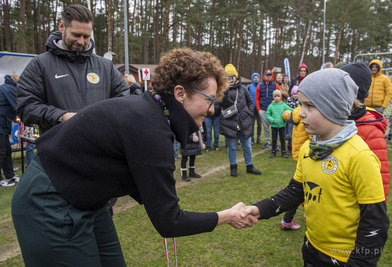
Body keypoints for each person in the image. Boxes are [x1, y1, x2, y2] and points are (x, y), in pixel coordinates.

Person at [11, 48, 258, 266]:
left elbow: (138, 176)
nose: (212, 109)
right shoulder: (149, 127)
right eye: (209, 100)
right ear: (180, 93)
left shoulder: (153, 113)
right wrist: (226, 217)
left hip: (89, 202)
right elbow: (169, 222)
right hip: (48, 201)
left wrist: (160, 197)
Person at [244, 68, 389, 266]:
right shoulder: (308, 148)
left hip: (343, 258)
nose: (300, 113)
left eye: (309, 106)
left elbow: (375, 223)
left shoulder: (359, 156)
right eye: (301, 104)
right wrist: (258, 209)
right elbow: (295, 191)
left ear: (334, 107)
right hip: (311, 248)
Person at [16, 4, 128, 134]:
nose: (81, 41)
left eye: (86, 36)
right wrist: (60, 116)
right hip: (59, 150)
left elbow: (124, 100)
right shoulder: (40, 65)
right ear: (62, 27)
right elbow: (26, 107)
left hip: (100, 149)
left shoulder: (105, 67)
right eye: (76, 35)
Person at [341, 62, 391, 202]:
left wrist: (374, 215)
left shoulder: (371, 132)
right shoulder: (333, 121)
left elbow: (379, 177)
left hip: (355, 208)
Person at [220, 64, 262, 177]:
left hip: (244, 123)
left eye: (231, 76)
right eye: (227, 77)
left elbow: (250, 102)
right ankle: (233, 167)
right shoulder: (222, 90)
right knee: (232, 147)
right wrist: (224, 90)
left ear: (236, 77)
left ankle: (250, 166)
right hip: (230, 123)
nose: (230, 78)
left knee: (247, 146)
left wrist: (249, 114)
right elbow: (221, 104)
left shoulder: (243, 89)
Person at [0, 73, 20, 187]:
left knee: (7, 150)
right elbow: (17, 106)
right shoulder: (10, 89)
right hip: (1, 124)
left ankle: (10, 175)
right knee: (1, 151)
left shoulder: (5, 87)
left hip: (4, 125)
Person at [255, 69, 281, 149]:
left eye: (270, 75)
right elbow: (257, 98)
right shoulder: (260, 86)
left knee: (274, 126)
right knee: (265, 127)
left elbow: (279, 97)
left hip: (273, 110)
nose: (268, 76)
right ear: (264, 76)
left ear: (271, 76)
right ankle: (268, 142)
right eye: (267, 75)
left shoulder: (275, 85)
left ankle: (275, 143)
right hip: (263, 109)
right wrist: (259, 110)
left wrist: (277, 108)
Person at [266, 90, 293, 158]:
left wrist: (296, 110)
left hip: (282, 125)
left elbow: (290, 109)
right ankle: (273, 152)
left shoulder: (283, 105)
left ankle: (283, 152)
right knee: (274, 139)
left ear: (280, 97)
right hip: (274, 125)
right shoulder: (271, 106)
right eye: (275, 96)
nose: (277, 98)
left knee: (282, 139)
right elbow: (268, 114)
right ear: (273, 97)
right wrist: (272, 120)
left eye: (278, 96)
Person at [247, 73, 262, 144]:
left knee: (259, 124)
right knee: (251, 125)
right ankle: (252, 139)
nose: (256, 79)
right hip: (251, 109)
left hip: (259, 109)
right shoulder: (249, 87)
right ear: (252, 79)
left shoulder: (261, 86)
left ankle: (258, 138)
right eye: (254, 78)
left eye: (257, 78)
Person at [285, 85, 301, 155]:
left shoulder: (300, 101)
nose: (295, 95)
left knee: (297, 135)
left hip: (298, 120)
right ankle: (289, 148)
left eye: (297, 94)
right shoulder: (288, 100)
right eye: (294, 94)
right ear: (292, 94)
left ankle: (296, 148)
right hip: (290, 120)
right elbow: (286, 108)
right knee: (289, 135)